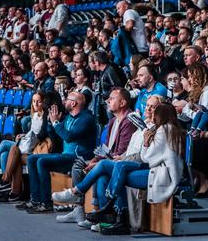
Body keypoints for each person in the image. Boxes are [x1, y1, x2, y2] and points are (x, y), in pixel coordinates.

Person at [85, 103, 184, 235]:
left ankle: (117, 214)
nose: (153, 116)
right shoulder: (171, 129)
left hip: (163, 174)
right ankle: (116, 214)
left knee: (121, 175)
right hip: (158, 170)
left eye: (155, 113)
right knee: (119, 170)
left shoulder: (164, 130)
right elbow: (147, 157)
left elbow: (147, 157)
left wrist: (145, 142)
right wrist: (147, 142)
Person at [55, 87, 136, 224]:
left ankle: (75, 193)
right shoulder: (112, 122)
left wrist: (97, 163)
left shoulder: (128, 122)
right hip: (111, 160)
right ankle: (98, 217)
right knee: (83, 166)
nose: (108, 101)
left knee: (101, 168)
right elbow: (106, 149)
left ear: (122, 103)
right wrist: (95, 159)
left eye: (112, 98)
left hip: (124, 162)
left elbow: (120, 152)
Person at [16, 90, 96, 213]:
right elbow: (59, 133)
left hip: (78, 157)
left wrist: (55, 123)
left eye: (67, 99)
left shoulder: (86, 118)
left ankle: (46, 203)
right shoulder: (69, 117)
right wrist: (52, 123)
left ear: (74, 103)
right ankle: (35, 200)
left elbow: (69, 136)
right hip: (65, 155)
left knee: (42, 162)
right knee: (32, 159)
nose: (64, 101)